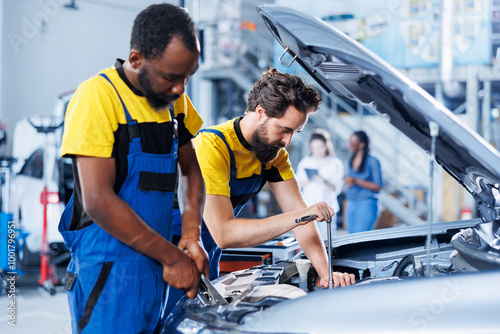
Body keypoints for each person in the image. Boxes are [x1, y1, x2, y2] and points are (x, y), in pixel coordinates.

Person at [58, 4, 208, 333]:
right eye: (171, 76)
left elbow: (192, 170)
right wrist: (171, 258)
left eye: (186, 77)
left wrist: (191, 232)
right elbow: (98, 199)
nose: (180, 88)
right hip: (107, 276)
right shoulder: (97, 97)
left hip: (155, 271)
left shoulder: (173, 102)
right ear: (137, 59)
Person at [194, 68, 355, 288]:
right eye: (284, 129)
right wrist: (301, 216)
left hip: (207, 255)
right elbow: (224, 233)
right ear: (261, 112)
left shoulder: (273, 155)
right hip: (168, 253)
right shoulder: (212, 147)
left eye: (295, 133)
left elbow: (301, 216)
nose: (287, 141)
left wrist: (326, 273)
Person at [296, 129, 344, 241]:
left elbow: (337, 189)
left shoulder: (335, 163)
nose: (318, 151)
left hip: (328, 209)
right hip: (309, 208)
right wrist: (309, 179)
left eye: (321, 147)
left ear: (327, 146)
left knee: (327, 240)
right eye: (315, 148)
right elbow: (298, 185)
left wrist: (323, 180)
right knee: (308, 240)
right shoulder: (306, 162)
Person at [344, 130, 383, 233]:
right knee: (350, 237)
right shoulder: (352, 159)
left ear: (361, 145)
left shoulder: (372, 160)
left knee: (360, 237)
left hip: (366, 203)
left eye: (352, 143)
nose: (349, 145)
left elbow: (378, 186)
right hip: (352, 202)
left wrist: (356, 181)